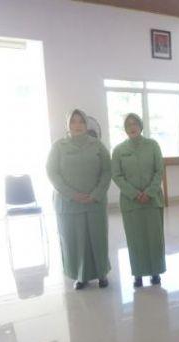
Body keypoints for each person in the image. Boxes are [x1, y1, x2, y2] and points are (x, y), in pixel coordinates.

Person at [46, 109, 111, 290]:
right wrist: (72, 194)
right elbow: (52, 173)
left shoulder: (97, 145)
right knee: (75, 240)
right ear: (67, 125)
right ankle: (80, 276)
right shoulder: (58, 146)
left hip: (94, 202)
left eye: (81, 121)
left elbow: (107, 170)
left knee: (97, 238)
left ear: (86, 124)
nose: (77, 125)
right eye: (73, 121)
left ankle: (102, 273)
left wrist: (96, 194)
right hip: (69, 203)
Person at [111, 113, 166, 288]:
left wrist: (149, 192)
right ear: (125, 129)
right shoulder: (119, 150)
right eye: (128, 125)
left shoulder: (153, 145)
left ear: (141, 126)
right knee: (135, 239)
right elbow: (116, 175)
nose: (132, 127)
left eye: (135, 123)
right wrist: (134, 193)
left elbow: (159, 170)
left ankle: (156, 272)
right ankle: (138, 273)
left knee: (154, 237)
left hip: (152, 200)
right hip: (131, 202)